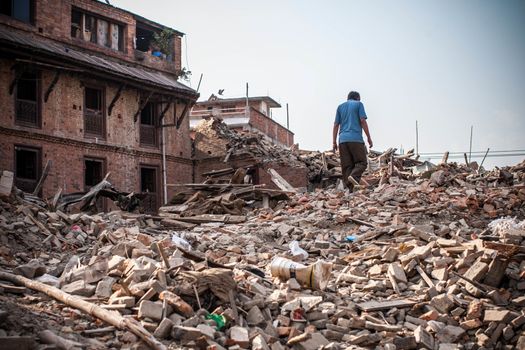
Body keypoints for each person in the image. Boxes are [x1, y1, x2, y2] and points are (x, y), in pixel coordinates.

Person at [332, 91, 373, 191]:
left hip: (342, 140)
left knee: (347, 166)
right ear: (357, 98)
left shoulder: (340, 107)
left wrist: (334, 142)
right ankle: (354, 177)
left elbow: (336, 125)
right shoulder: (359, 104)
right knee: (362, 162)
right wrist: (369, 137)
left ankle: (350, 191)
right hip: (355, 139)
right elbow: (362, 121)